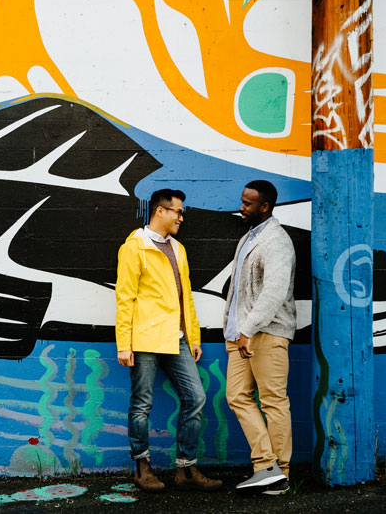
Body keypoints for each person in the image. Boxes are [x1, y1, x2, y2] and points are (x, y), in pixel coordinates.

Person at [115, 188, 222, 493]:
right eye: (178, 212)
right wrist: (124, 343)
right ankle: (142, 468)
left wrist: (193, 336)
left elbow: (185, 296)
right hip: (146, 340)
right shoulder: (135, 248)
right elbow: (125, 297)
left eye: (182, 212)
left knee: (196, 397)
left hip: (177, 340)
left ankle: (186, 470)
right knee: (141, 405)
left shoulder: (178, 248)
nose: (181, 217)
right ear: (160, 211)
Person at [223, 180, 297, 495]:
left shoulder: (276, 241)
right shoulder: (248, 238)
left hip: (264, 333)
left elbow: (274, 292)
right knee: (237, 395)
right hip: (242, 335)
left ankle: (280, 473)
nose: (242, 207)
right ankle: (266, 465)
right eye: (243, 201)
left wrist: (248, 328)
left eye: (248, 203)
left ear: (264, 207)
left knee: (273, 402)